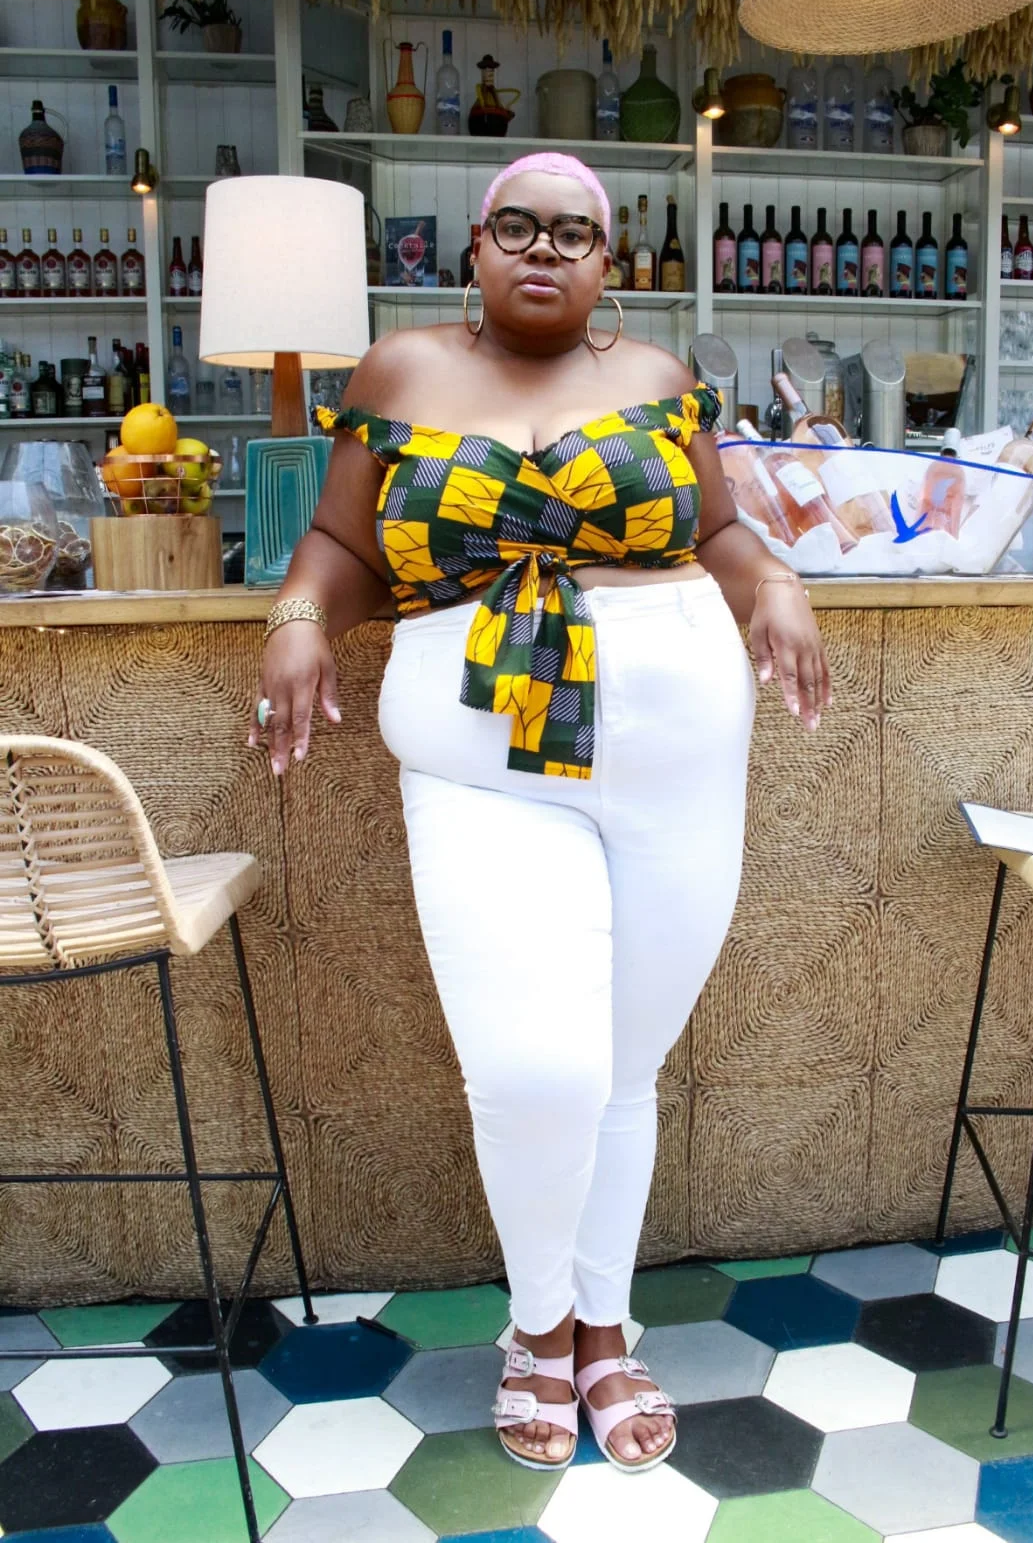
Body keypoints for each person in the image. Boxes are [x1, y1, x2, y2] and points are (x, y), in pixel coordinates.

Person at [249, 152, 830, 1475]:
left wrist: (778, 586)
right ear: (475, 245)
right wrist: (295, 616)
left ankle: (603, 1326)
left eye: (576, 233)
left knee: (622, 1071)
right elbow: (341, 545)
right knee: (538, 1071)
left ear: (607, 264)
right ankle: (538, 1322)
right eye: (517, 224)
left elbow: (720, 531)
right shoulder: (401, 370)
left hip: (680, 756)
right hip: (483, 761)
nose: (544, 248)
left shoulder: (659, 377)